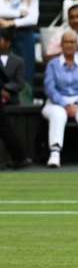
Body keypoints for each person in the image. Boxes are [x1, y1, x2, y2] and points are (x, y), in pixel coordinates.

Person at [42, 30, 78, 167]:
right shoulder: (53, 64)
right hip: (56, 101)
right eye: (66, 42)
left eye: (72, 42)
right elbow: (49, 87)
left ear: (77, 45)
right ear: (61, 44)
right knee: (58, 114)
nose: (69, 45)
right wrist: (64, 104)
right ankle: (54, 154)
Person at [0, 0, 38, 87]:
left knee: (26, 67)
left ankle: (25, 98)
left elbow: (33, 19)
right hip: (3, 33)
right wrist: (20, 15)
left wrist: (11, 22)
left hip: (23, 34)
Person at [0, 28, 30, 169]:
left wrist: (6, 90)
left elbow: (20, 82)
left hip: (11, 98)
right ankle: (20, 158)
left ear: (8, 42)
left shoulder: (18, 61)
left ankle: (20, 158)